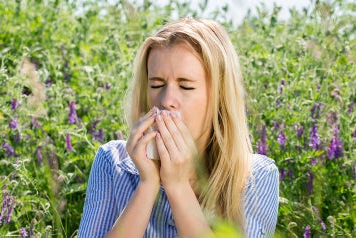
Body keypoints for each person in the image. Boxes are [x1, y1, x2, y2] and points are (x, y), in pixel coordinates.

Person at [78, 17, 279, 237]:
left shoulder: (255, 177)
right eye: (156, 84)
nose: (166, 100)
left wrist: (178, 187)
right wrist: (148, 185)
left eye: (185, 86)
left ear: (219, 97)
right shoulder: (113, 163)